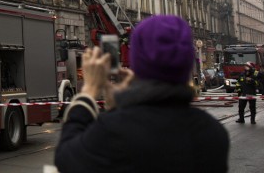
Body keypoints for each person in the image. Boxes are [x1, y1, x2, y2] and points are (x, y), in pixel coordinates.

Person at [54, 15, 229, 173]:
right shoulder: (213, 133)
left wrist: (89, 90)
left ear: (139, 61)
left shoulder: (115, 130)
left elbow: (66, 158)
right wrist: (126, 101)